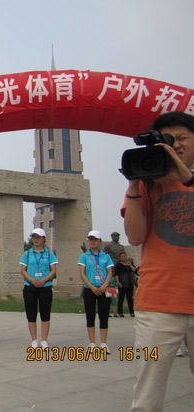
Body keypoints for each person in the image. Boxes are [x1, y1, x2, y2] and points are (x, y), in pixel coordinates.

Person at [122, 111, 194, 412]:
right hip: (159, 301)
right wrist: (135, 187)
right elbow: (136, 237)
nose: (174, 144)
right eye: (167, 140)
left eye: (181, 138)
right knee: (147, 395)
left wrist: (185, 177)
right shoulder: (149, 184)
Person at [19, 228, 58, 349]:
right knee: (31, 314)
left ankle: (44, 340)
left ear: (43, 239)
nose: (36, 239)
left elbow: (53, 270)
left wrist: (43, 280)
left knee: (45, 313)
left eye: (38, 237)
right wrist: (32, 280)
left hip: (45, 286)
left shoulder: (49, 253)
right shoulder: (27, 253)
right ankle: (34, 339)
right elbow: (22, 270)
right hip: (30, 286)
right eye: (34, 237)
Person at [78, 230, 114, 354]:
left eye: (95, 239)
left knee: (104, 316)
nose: (93, 242)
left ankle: (103, 343)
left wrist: (104, 286)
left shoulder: (106, 256)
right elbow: (82, 273)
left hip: (103, 288)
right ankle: (92, 343)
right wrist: (91, 287)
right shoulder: (84, 256)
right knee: (90, 315)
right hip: (90, 289)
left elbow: (110, 272)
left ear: (100, 241)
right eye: (90, 239)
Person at [114, 251, 137, 318]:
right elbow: (116, 274)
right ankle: (120, 312)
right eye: (122, 256)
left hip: (129, 283)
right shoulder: (118, 265)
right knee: (121, 298)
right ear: (120, 258)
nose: (123, 257)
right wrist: (118, 282)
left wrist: (130, 265)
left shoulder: (129, 263)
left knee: (130, 298)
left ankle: (132, 312)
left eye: (124, 256)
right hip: (122, 283)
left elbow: (135, 270)